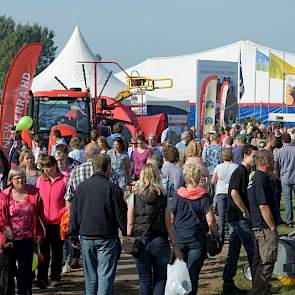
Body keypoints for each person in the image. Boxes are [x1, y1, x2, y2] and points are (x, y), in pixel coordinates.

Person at [68, 153, 127, 295]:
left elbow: (74, 213)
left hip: (87, 236)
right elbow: (121, 215)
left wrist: (73, 235)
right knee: (105, 276)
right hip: (106, 237)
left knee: (90, 278)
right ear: (107, 167)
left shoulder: (81, 188)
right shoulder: (113, 188)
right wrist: (126, 232)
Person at [167, 164, 219, 295]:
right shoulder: (203, 196)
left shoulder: (178, 194)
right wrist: (215, 235)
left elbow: (171, 218)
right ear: (197, 177)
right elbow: (211, 220)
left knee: (179, 273)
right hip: (197, 239)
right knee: (193, 274)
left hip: (179, 238)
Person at [0, 167, 45, 295]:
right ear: (11, 180)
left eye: (22, 177)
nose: (20, 180)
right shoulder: (4, 195)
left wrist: (39, 234)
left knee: (25, 275)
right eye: (17, 178)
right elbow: (0, 216)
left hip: (27, 240)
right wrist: (4, 228)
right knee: (7, 274)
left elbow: (40, 216)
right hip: (9, 241)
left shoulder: (34, 193)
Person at [127, 163, 170, 295]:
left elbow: (130, 224)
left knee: (144, 279)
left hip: (140, 240)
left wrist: (128, 236)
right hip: (160, 240)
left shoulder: (134, 196)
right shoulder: (163, 196)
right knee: (160, 278)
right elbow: (168, 222)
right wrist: (173, 241)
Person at [223, 144, 257, 294]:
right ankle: (259, 284)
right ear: (245, 156)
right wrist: (244, 210)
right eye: (253, 156)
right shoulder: (240, 171)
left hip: (236, 218)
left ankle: (228, 283)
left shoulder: (246, 171)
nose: (255, 159)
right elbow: (234, 193)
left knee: (234, 251)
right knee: (252, 249)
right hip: (238, 217)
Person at [247, 149, 280, 295]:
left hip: (257, 225)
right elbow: (263, 206)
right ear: (266, 161)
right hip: (263, 227)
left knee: (259, 261)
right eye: (272, 159)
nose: (274, 162)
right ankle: (259, 291)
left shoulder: (256, 177)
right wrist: (272, 227)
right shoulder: (260, 179)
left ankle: (263, 289)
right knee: (266, 262)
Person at [36, 156, 67, 289]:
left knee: (57, 252)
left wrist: (61, 213)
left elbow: (68, 201)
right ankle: (42, 278)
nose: (46, 169)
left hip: (58, 222)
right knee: (43, 252)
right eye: (44, 167)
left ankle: (55, 277)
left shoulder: (64, 180)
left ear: (55, 166)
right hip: (43, 222)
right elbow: (37, 200)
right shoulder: (40, 180)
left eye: (49, 166)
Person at [211, 149, 238, 244]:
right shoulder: (236, 167)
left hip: (220, 192)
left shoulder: (218, 167)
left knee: (221, 216)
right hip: (231, 192)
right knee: (231, 214)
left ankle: (221, 236)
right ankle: (232, 235)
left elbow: (213, 181)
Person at [274, 133, 295, 227]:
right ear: (290, 140)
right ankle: (289, 221)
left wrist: (278, 176)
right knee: (288, 200)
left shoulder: (279, 152)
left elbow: (275, 166)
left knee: (288, 200)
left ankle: (289, 221)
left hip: (285, 178)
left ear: (282, 141)